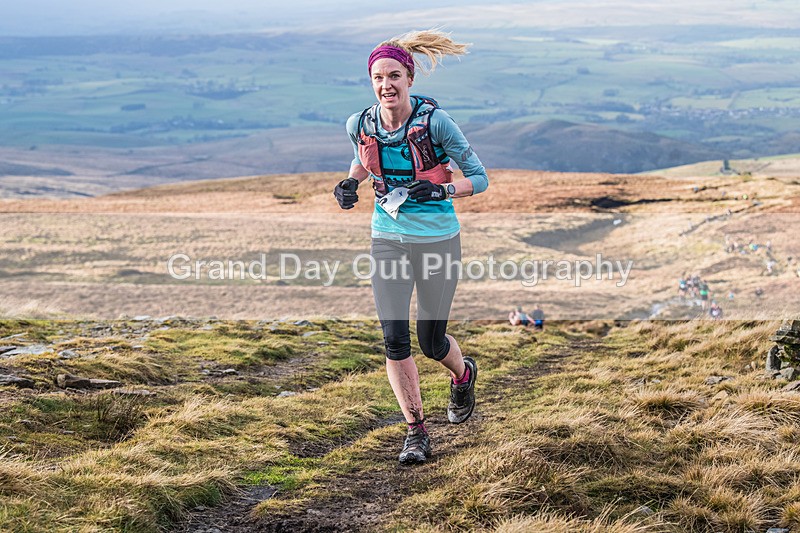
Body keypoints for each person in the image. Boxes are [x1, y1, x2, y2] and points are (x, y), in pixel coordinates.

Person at [334, 30, 489, 465]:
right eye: (379, 77)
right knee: (394, 340)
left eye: (395, 76)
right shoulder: (359, 123)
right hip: (387, 238)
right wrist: (350, 184)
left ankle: (463, 374)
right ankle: (415, 432)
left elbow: (479, 177)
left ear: (410, 79)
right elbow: (362, 161)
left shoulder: (436, 123)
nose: (387, 85)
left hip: (438, 241)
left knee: (431, 340)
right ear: (371, 82)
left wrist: (439, 192)